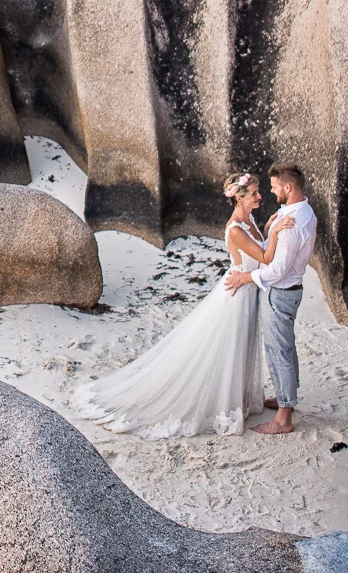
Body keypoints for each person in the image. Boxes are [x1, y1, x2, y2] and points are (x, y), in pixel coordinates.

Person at [74, 170, 297, 437]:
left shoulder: (248, 220)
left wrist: (268, 228)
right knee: (226, 347)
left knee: (242, 347)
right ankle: (221, 401)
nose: (259, 197)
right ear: (238, 199)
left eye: (258, 192)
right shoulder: (236, 229)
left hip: (247, 290)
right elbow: (265, 257)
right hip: (237, 294)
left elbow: (256, 247)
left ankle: (239, 397)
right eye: (253, 194)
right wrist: (276, 233)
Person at [224, 163, 318, 435]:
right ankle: (284, 397)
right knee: (284, 348)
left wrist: (246, 278)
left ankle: (283, 418)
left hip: (279, 293)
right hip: (288, 291)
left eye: (275, 187)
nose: (269, 193)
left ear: (288, 187)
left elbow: (277, 269)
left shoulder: (290, 224)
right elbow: (267, 252)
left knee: (279, 352)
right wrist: (271, 230)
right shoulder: (302, 212)